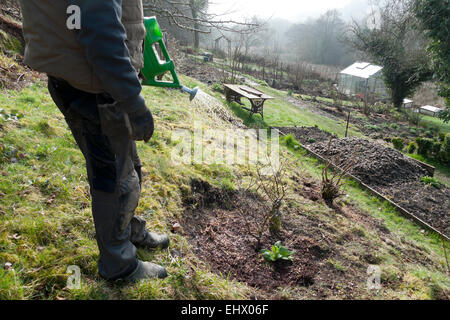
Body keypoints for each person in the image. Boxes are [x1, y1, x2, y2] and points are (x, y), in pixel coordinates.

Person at [18, 0, 169, 281]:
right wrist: (134, 103)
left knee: (126, 165)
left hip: (83, 76)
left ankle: (127, 230)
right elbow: (100, 31)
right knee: (114, 179)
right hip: (93, 85)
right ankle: (119, 264)